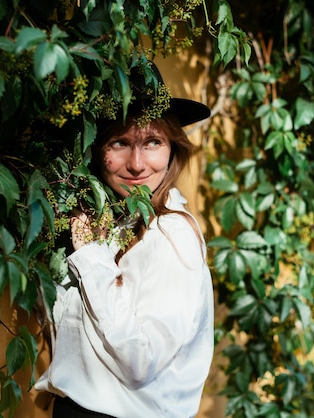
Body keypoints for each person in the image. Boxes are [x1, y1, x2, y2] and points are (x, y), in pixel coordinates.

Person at [35, 60, 214, 418]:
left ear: (172, 150)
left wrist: (91, 257)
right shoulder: (116, 225)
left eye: (152, 142)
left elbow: (140, 359)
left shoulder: (171, 234)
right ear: (97, 151)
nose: (136, 164)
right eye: (120, 142)